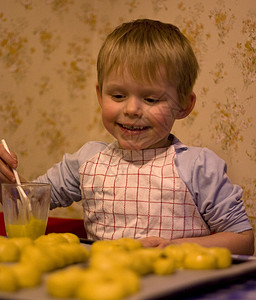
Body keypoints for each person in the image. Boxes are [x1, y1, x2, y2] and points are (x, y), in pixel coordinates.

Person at [0, 19, 254, 255]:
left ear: (184, 105)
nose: (131, 110)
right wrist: (7, 178)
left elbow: (243, 240)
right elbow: (27, 205)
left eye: (151, 99)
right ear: (100, 96)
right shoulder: (85, 161)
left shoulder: (198, 166)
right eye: (118, 96)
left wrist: (174, 246)